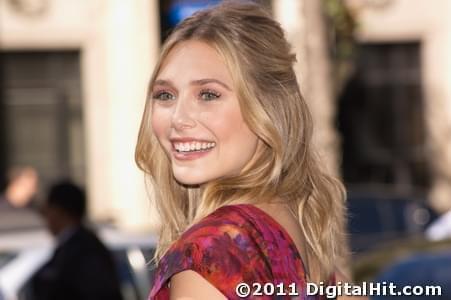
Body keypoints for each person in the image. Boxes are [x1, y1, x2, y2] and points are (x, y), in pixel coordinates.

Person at [135, 2, 348, 299]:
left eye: (208, 94)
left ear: (267, 107)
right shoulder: (305, 240)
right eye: (165, 95)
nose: (178, 119)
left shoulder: (211, 254)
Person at [30, 180, 123, 300]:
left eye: (48, 209)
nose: (45, 217)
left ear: (60, 211)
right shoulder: (72, 245)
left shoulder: (85, 249)